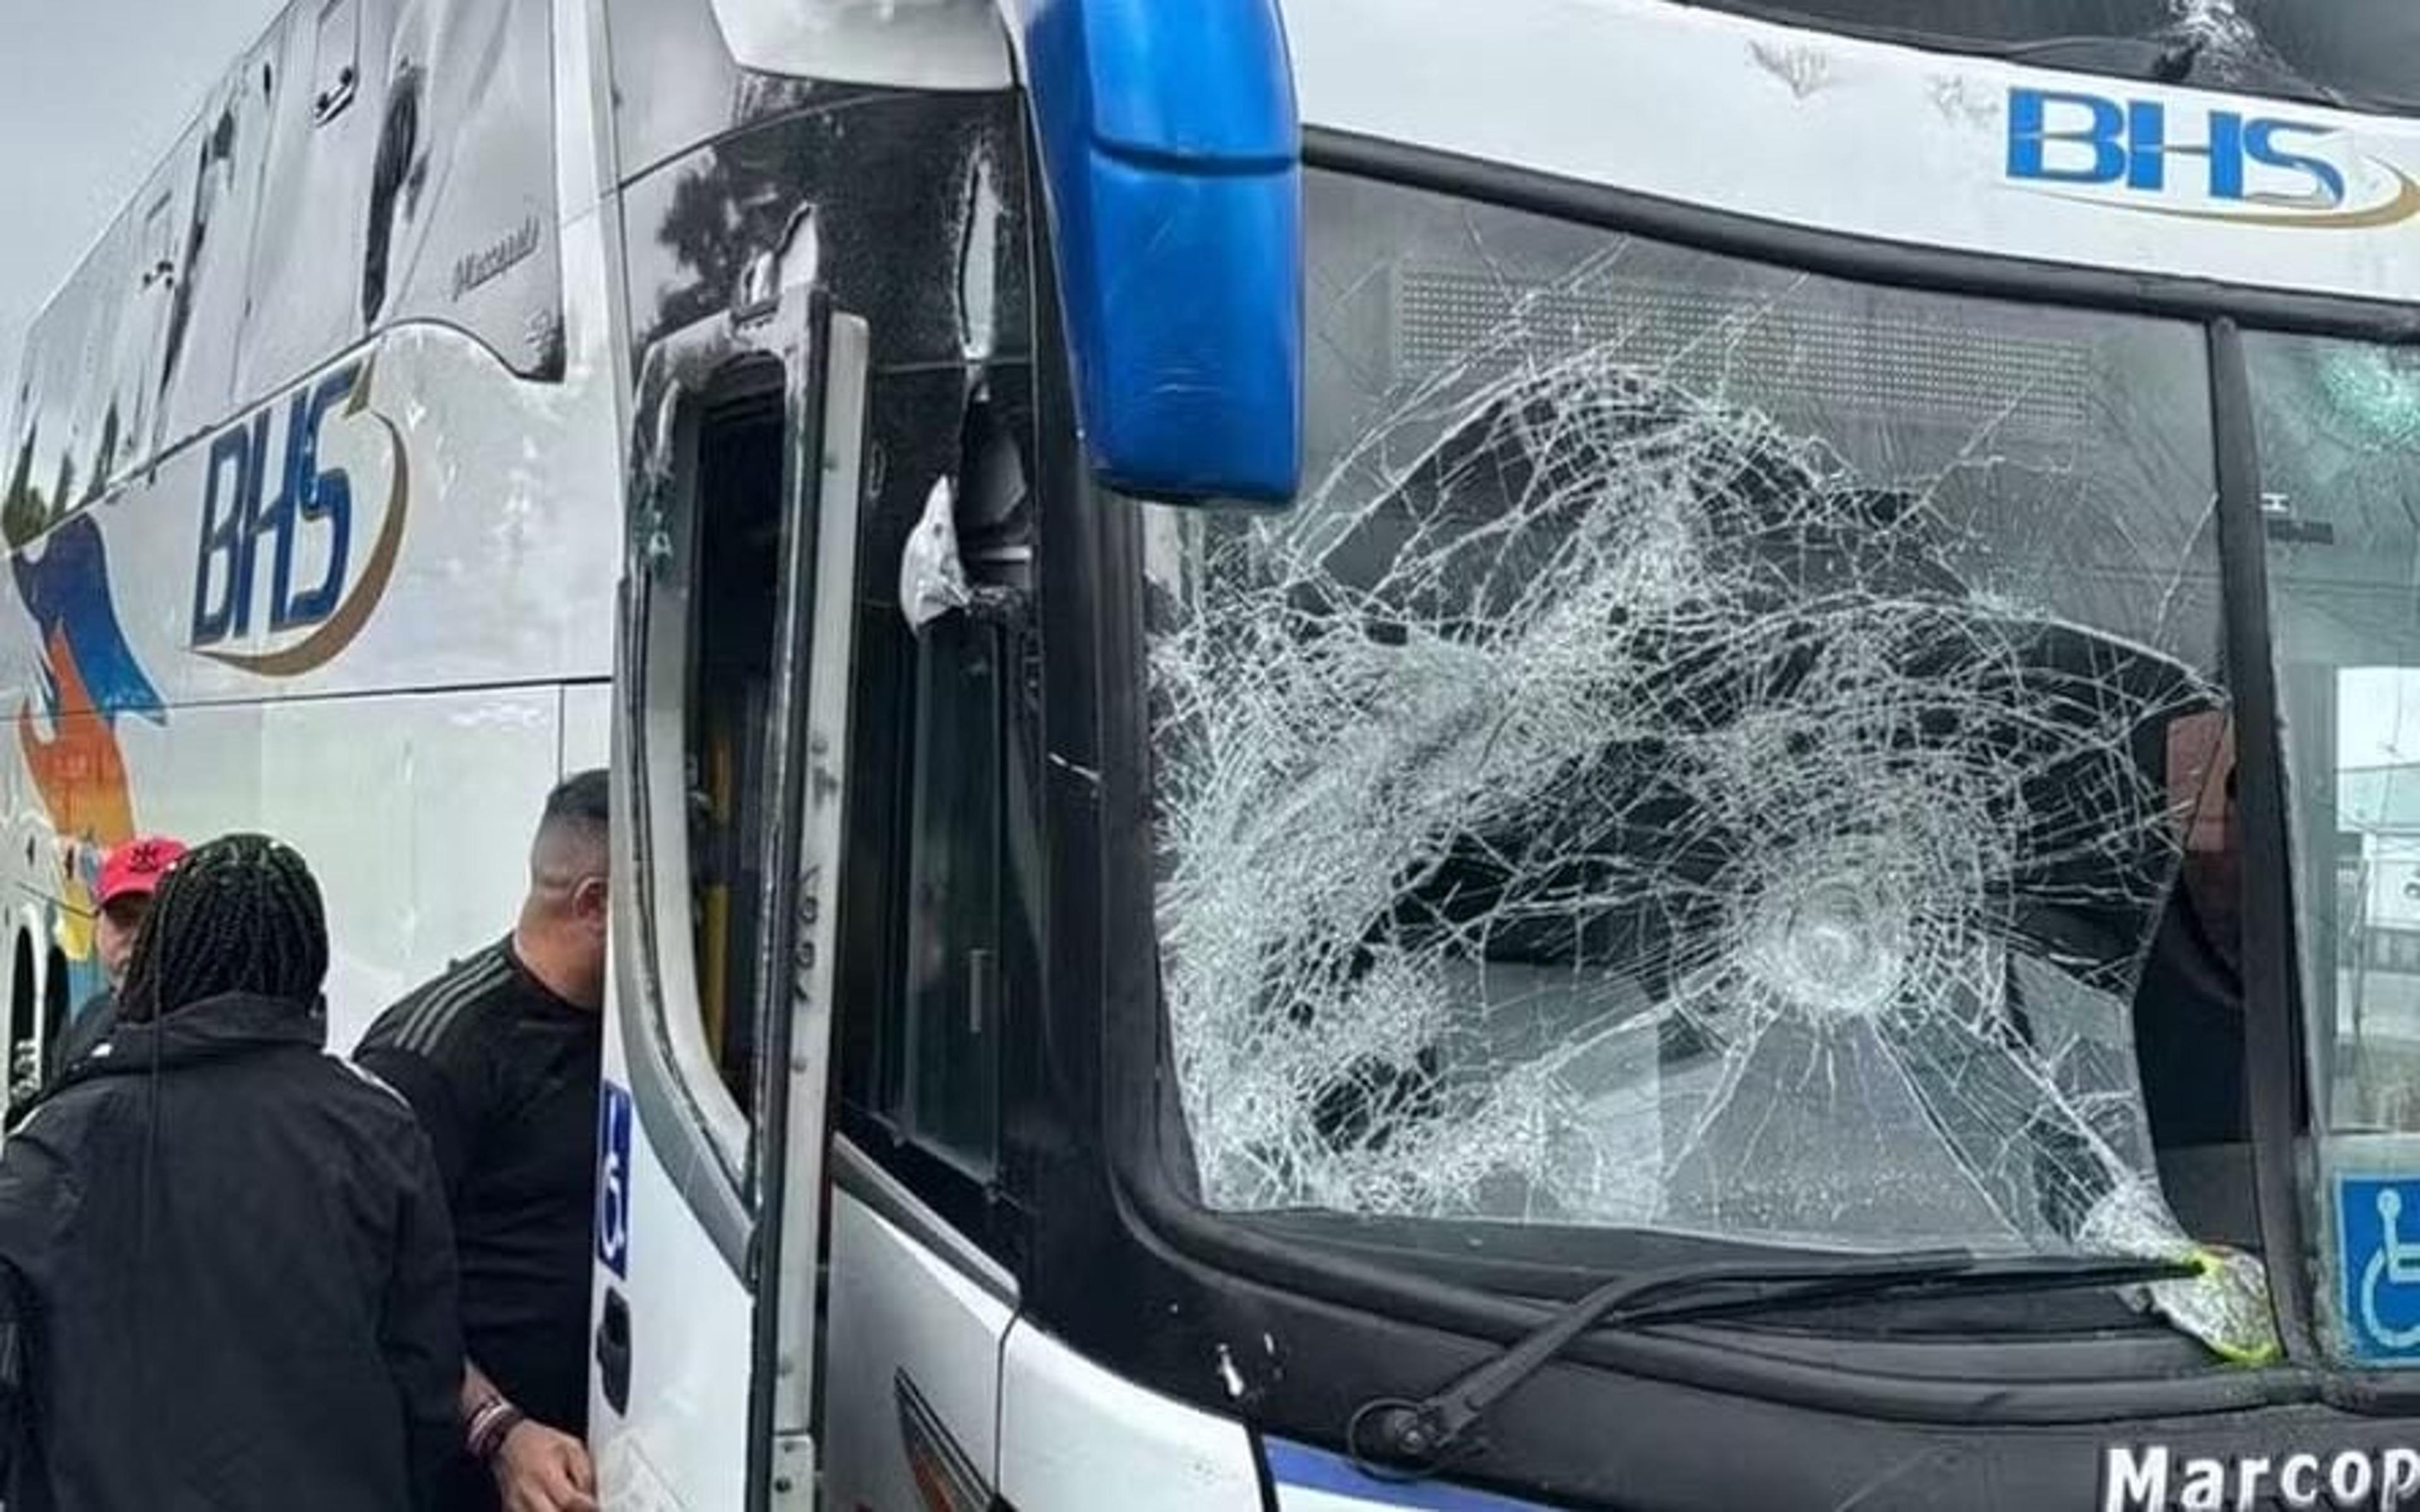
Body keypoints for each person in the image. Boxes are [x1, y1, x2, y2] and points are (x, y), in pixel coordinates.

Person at [0, 833, 461, 1511]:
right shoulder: (379, 1129)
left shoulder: (58, 1139)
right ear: (310, 963)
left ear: (165, 953)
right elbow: (427, 1376)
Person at [358, 770, 608, 1512]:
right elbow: (363, 1284)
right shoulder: (433, 1056)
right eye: (676, 900)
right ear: (594, 903)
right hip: (467, 1479)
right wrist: (497, 1430)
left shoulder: (637, 1043)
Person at [48, 833, 188, 1082]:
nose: (139, 938)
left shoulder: (219, 1036)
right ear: (97, 923)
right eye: (123, 918)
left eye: (158, 921)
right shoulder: (89, 1020)